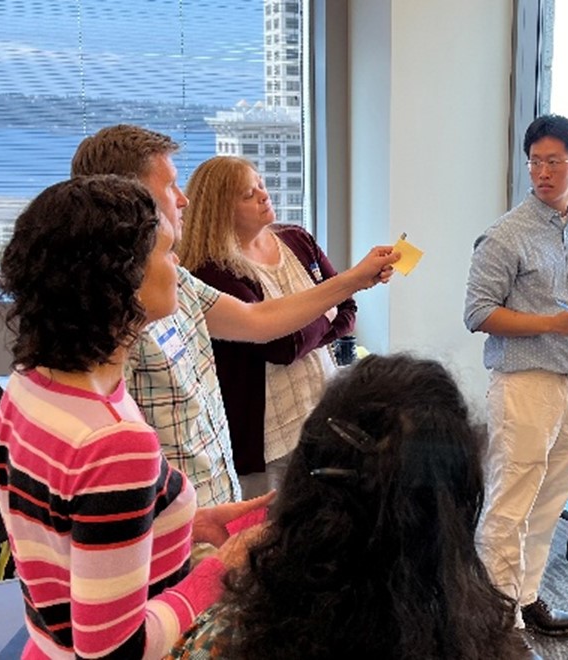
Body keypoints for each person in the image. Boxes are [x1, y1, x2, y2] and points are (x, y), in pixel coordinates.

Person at [0, 175, 271, 659]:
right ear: (123, 279)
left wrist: (186, 524)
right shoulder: (114, 442)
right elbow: (114, 651)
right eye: (166, 252)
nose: (177, 263)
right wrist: (218, 572)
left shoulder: (32, 384)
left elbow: (68, 533)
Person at [71, 125, 398, 507]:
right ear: (128, 198)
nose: (183, 200)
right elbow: (282, 344)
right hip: (164, 511)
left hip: (211, 496)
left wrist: (354, 280)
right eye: (171, 186)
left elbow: (258, 320)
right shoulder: (98, 312)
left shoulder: (182, 280)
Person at [165, 354, 537, 660]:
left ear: (302, 483)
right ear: (455, 503)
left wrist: (209, 575)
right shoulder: (485, 640)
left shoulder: (226, 637)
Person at [463, 114, 568, 637]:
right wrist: (551, 323)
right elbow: (478, 313)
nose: (543, 172)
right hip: (524, 381)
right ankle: (496, 622)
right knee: (511, 502)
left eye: (554, 161)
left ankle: (525, 597)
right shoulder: (507, 235)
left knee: (550, 497)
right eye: (535, 162)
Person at [178, 156, 352, 499]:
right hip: (264, 432)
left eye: (260, 184)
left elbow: (346, 307)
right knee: (266, 525)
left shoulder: (297, 240)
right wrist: (324, 311)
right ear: (219, 209)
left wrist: (313, 327)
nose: (263, 195)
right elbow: (282, 346)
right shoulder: (214, 271)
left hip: (319, 406)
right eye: (247, 194)